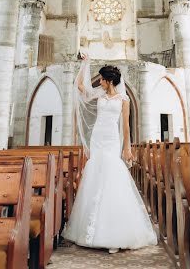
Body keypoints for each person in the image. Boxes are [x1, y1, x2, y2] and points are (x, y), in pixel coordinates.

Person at [62, 53, 157, 253]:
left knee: (112, 176)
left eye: (102, 79)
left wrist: (127, 147)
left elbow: (125, 127)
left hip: (112, 140)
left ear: (109, 80)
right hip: (98, 138)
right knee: (96, 175)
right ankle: (91, 230)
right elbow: (79, 86)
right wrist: (85, 64)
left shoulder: (124, 99)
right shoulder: (99, 95)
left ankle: (115, 232)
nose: (101, 82)